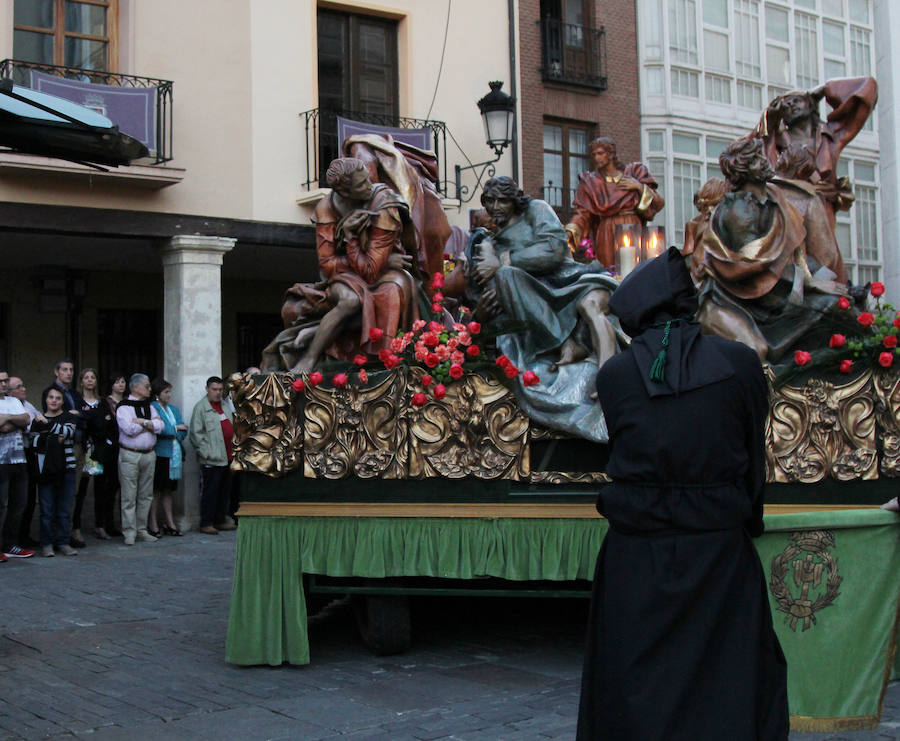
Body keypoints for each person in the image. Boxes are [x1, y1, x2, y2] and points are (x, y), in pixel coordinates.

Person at [576, 247, 789, 740]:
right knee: (727, 681)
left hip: (637, 554)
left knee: (635, 679)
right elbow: (753, 460)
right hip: (717, 548)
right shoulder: (739, 363)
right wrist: (745, 524)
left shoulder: (615, 376)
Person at [471, 176, 622, 443]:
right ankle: (561, 341)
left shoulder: (536, 210)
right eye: (489, 201)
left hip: (568, 284)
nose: (495, 207)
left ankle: (601, 370)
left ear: (514, 200)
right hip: (537, 301)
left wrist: (505, 260)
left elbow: (553, 249)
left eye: (502, 200)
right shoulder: (491, 243)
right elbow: (484, 285)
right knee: (505, 278)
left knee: (509, 275)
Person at [695, 137, 846, 362]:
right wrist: (809, 284)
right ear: (743, 169)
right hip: (739, 303)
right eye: (756, 159)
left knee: (838, 307)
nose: (764, 161)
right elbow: (753, 267)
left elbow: (791, 253)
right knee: (756, 352)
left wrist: (822, 278)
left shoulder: (774, 197)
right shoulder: (738, 209)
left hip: (773, 297)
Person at [290, 157, 417, 373]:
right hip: (346, 273)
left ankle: (318, 332)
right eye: (360, 185)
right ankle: (310, 358)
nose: (368, 186)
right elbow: (328, 264)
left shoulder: (382, 201)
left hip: (377, 269)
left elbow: (373, 269)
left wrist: (382, 262)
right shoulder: (326, 208)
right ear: (344, 192)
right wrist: (351, 239)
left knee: (389, 293)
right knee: (350, 301)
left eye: (367, 179)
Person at [752, 75, 877, 276]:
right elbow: (745, 152)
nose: (791, 105)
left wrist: (823, 90)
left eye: (797, 100)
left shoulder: (831, 136)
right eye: (785, 104)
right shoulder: (775, 141)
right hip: (788, 210)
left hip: (823, 207)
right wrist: (769, 119)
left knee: (828, 263)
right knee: (789, 267)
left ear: (811, 106)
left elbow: (867, 88)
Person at [564, 136, 665, 268]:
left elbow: (657, 202)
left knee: (634, 269)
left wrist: (639, 187)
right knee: (609, 272)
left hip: (632, 226)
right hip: (606, 232)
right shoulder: (591, 183)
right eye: (594, 154)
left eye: (600, 153)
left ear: (611, 154)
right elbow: (583, 213)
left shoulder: (634, 173)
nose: (596, 158)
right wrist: (572, 230)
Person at [30, 387, 79, 557]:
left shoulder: (69, 417)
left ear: (62, 401)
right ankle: (47, 543)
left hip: (67, 469)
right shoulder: (37, 420)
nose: (54, 401)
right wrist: (52, 434)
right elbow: (34, 441)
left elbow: (68, 433)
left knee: (64, 509)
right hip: (45, 470)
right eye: (51, 397)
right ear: (46, 400)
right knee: (46, 510)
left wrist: (48, 426)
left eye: (58, 398)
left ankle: (63, 542)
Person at [116, 373, 163, 546]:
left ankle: (142, 529)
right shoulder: (123, 407)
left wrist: (142, 422)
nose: (150, 389)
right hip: (130, 454)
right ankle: (129, 531)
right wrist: (149, 424)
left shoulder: (150, 407)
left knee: (146, 495)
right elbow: (128, 428)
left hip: (148, 454)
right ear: (135, 387)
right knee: (129, 495)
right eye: (147, 385)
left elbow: (160, 426)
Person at [190, 377, 236, 535]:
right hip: (212, 458)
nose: (218, 393)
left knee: (224, 491)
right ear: (207, 389)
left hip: (227, 457)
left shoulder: (225, 406)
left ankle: (220, 519)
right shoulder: (201, 408)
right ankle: (206, 522)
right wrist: (206, 452)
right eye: (214, 389)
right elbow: (196, 434)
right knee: (210, 492)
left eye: (220, 389)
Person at [0, 371, 35, 560]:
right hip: (1, 462)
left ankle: (10, 544)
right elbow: (7, 424)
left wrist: (6, 418)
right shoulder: (13, 405)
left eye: (6, 380)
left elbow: (26, 419)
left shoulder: (13, 401)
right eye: (0, 381)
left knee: (19, 503)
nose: (3, 384)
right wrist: (14, 420)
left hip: (19, 460)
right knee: (0, 505)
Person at [149, 378, 187, 537]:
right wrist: (175, 428)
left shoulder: (174, 409)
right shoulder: (153, 408)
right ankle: (153, 523)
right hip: (160, 454)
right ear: (158, 394)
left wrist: (175, 429)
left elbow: (184, 430)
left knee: (168, 491)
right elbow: (161, 430)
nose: (169, 395)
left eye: (170, 391)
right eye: (166, 392)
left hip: (174, 454)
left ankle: (169, 521)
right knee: (156, 491)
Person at [9, 377, 44, 548]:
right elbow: (12, 427)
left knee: (29, 497)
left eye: (23, 385)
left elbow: (38, 421)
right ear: (10, 391)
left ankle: (24, 534)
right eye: (19, 386)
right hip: (12, 454)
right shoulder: (10, 405)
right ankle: (10, 539)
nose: (24, 388)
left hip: (28, 453)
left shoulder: (27, 405)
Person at [70, 367, 102, 549]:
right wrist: (88, 417)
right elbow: (85, 421)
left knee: (101, 488)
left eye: (93, 377)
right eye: (86, 377)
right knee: (79, 490)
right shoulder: (76, 400)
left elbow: (102, 422)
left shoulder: (101, 401)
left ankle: (101, 525)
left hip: (98, 451)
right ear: (81, 381)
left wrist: (86, 416)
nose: (90, 380)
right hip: (82, 448)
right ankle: (75, 527)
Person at [93, 374, 126, 538]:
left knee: (116, 487)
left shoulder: (127, 402)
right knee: (103, 488)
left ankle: (113, 524)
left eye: (123, 382)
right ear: (111, 385)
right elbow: (102, 425)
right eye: (117, 382)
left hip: (123, 449)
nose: (121, 384)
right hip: (105, 452)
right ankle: (101, 524)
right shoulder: (104, 403)